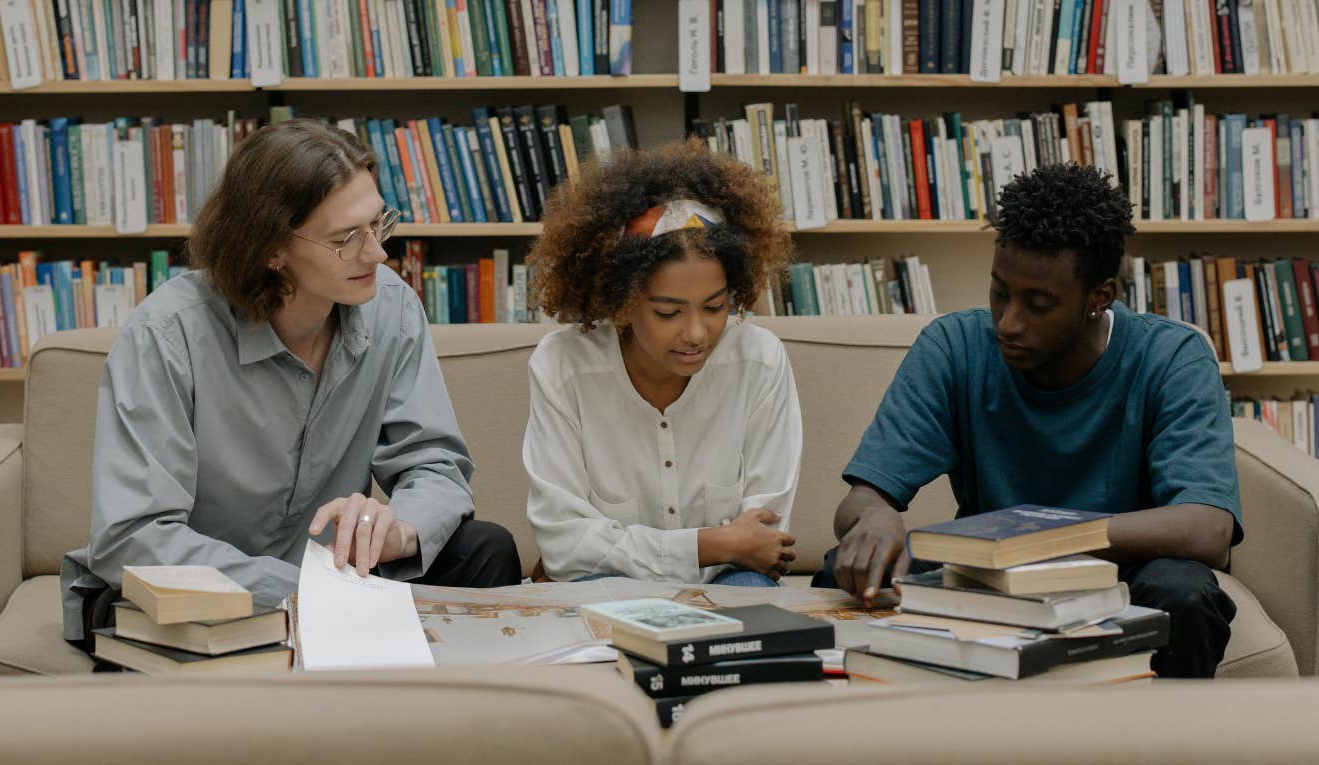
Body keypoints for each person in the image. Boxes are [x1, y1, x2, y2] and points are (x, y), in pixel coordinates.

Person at [61, 119, 520, 650]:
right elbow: (133, 538)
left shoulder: (390, 307)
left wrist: (400, 529)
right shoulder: (167, 335)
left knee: (486, 548)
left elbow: (434, 463)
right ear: (271, 248)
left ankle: (440, 718)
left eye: (378, 225)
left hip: (332, 579)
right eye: (347, 239)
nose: (377, 254)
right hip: (202, 592)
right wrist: (311, 593)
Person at [815, 163, 1240, 678]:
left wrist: (1041, 537)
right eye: (1000, 292)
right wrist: (875, 514)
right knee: (844, 565)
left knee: (1185, 592)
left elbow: (1207, 529)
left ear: (1099, 298)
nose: (1009, 323)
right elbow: (860, 501)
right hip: (991, 575)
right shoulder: (953, 348)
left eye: (1039, 304)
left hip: (1122, 575)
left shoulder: (1172, 356)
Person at [522, 138, 801, 587]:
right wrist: (709, 545)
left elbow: (761, 541)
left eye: (715, 307)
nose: (696, 333)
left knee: (751, 596)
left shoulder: (760, 361)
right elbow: (565, 546)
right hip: (608, 584)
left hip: (730, 579)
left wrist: (717, 549)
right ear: (623, 302)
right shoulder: (562, 367)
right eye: (668, 313)